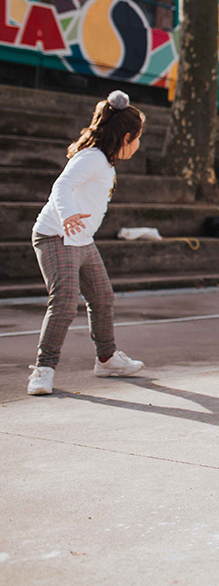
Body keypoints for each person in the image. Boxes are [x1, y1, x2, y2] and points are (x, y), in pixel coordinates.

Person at [27, 91, 146, 396]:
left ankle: (106, 359)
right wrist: (66, 216)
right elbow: (61, 186)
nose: (138, 145)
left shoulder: (104, 161)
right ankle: (43, 369)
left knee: (102, 298)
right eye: (138, 138)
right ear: (128, 136)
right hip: (56, 235)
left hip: (80, 239)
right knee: (65, 302)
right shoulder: (91, 157)